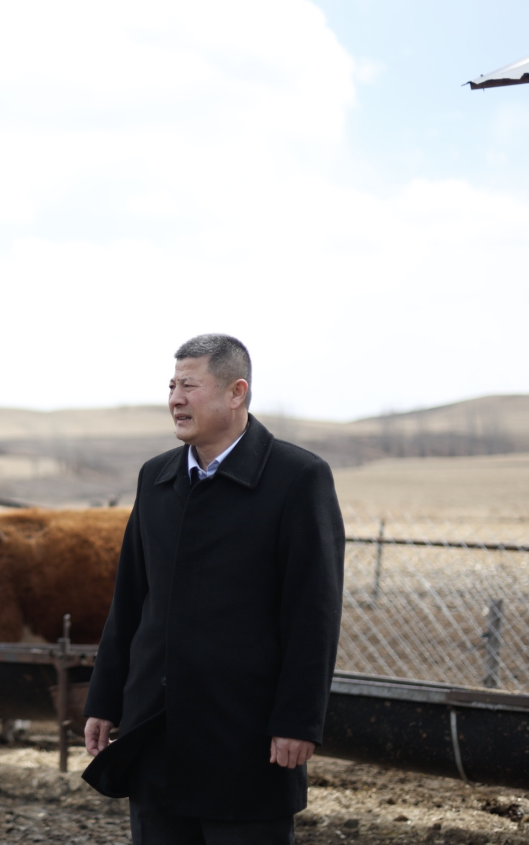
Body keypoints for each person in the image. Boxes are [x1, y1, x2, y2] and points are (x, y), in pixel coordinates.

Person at [82, 334, 344, 845]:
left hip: (245, 738)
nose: (176, 399)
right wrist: (105, 699)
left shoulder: (298, 478)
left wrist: (298, 720)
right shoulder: (155, 477)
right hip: (155, 734)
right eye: (172, 386)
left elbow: (313, 613)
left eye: (190, 386)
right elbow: (130, 600)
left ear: (236, 392)